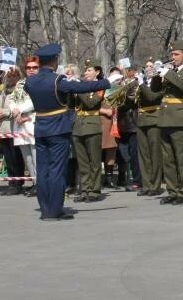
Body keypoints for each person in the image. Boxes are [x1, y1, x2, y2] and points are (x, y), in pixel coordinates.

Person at [25, 43, 111, 220]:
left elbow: (30, 90)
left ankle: (45, 209)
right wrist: (107, 81)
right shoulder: (57, 81)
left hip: (40, 127)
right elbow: (83, 88)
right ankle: (55, 210)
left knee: (42, 170)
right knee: (57, 170)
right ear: (55, 61)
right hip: (58, 128)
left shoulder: (30, 81)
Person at [151, 41, 183, 205]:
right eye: (172, 54)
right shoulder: (171, 71)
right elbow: (155, 90)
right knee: (168, 158)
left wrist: (168, 74)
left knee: (181, 158)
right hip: (165, 118)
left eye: (176, 54)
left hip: (180, 118)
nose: (173, 57)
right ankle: (172, 190)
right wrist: (157, 75)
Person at [71, 61, 107, 202]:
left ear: (97, 72)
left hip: (92, 125)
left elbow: (91, 103)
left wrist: (78, 88)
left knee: (95, 161)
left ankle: (95, 190)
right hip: (78, 126)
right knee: (82, 162)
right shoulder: (82, 86)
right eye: (85, 71)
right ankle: (85, 189)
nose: (86, 73)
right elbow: (70, 104)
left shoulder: (100, 85)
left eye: (89, 70)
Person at [0, 66, 27, 195]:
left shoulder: (20, 90)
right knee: (8, 158)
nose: (11, 79)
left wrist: (4, 112)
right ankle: (12, 182)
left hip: (14, 128)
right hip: (2, 129)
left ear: (18, 77)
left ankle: (17, 183)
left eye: (14, 76)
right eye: (9, 76)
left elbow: (19, 107)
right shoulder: (3, 91)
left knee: (16, 157)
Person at [135, 60, 164, 197]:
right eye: (146, 66)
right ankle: (146, 185)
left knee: (155, 154)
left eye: (151, 66)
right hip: (141, 120)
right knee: (144, 155)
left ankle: (155, 185)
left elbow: (152, 97)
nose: (148, 68)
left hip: (154, 119)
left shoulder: (159, 82)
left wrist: (140, 84)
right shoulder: (141, 83)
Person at [13, 57, 39, 196]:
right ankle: (35, 183)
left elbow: (37, 101)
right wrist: (15, 111)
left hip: (34, 121)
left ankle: (41, 184)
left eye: (34, 67)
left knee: (36, 156)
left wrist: (21, 110)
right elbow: (12, 99)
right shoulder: (20, 83)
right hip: (19, 122)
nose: (31, 70)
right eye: (29, 68)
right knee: (27, 157)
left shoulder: (41, 82)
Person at [114, 65, 141, 191]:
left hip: (133, 123)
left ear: (133, 72)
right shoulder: (121, 83)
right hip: (122, 123)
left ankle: (137, 181)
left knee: (134, 154)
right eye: (124, 71)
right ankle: (126, 178)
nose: (125, 72)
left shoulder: (136, 84)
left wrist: (120, 94)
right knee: (124, 154)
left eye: (127, 70)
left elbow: (132, 100)